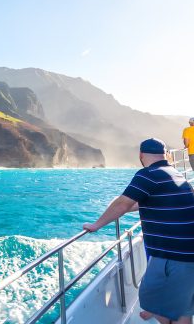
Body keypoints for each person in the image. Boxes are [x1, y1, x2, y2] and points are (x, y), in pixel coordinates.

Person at [83, 138, 194, 324]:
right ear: (164, 154)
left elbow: (122, 204)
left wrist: (96, 225)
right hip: (186, 252)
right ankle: (161, 313)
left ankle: (157, 312)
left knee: (152, 298)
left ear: (141, 155)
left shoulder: (148, 174)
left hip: (173, 257)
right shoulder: (174, 173)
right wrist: (128, 206)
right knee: (181, 307)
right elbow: (147, 201)